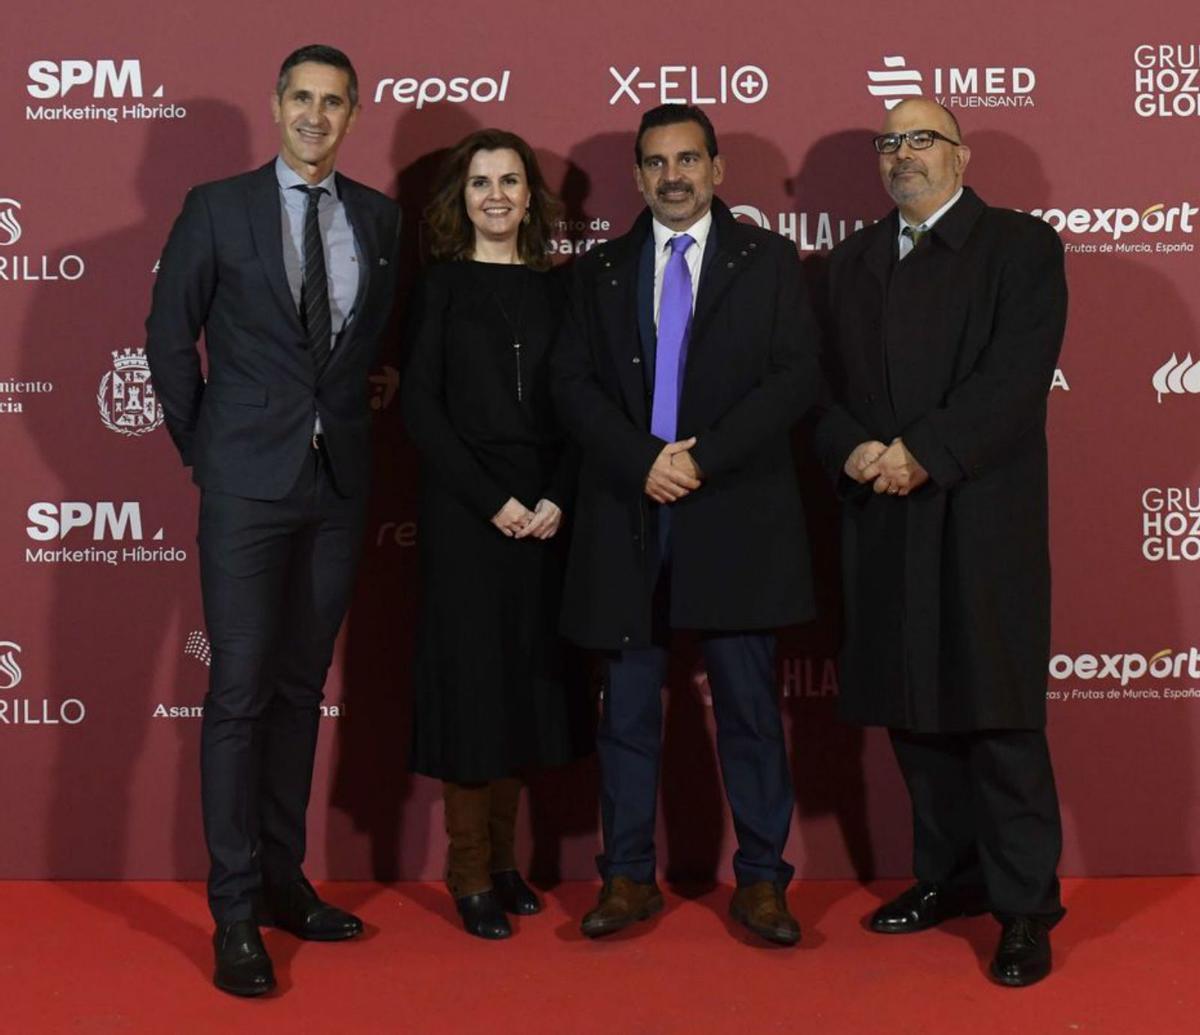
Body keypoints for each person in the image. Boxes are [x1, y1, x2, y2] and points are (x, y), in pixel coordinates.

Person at [145, 44, 400, 996]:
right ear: (277, 103)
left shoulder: (378, 217)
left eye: (334, 102)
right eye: (302, 97)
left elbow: (364, 348)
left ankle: (286, 882)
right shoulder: (218, 207)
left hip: (337, 488)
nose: (315, 115)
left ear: (353, 114)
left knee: (300, 690)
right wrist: (207, 449)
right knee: (239, 691)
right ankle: (234, 910)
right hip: (245, 486)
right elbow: (168, 338)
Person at [814, 98, 1068, 987]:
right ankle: (949, 877)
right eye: (889, 142)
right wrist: (851, 448)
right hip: (883, 511)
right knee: (913, 711)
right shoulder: (850, 262)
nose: (903, 155)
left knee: (998, 716)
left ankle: (1025, 906)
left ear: (961, 155)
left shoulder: (1021, 246)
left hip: (981, 514)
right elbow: (818, 386)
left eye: (921, 139)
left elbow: (1016, 379)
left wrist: (923, 452)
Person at [552, 104, 820, 945]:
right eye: (657, 162)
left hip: (735, 513)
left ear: (716, 169)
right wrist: (644, 459)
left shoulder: (768, 261)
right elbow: (570, 383)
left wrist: (701, 459)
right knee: (627, 712)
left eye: (688, 159)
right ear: (638, 176)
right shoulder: (599, 271)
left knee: (748, 708)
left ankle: (765, 881)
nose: (673, 176)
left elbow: (795, 377)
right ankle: (627, 876)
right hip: (628, 515)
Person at [401, 129, 589, 940]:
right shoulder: (439, 287)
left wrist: (556, 497)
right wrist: (491, 501)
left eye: (510, 180)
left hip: (544, 517)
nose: (497, 195)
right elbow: (420, 407)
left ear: (531, 196)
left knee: (523, 684)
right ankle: (470, 868)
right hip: (467, 515)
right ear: (461, 198)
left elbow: (584, 407)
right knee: (472, 688)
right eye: (481, 182)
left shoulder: (561, 290)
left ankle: (507, 862)